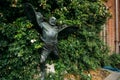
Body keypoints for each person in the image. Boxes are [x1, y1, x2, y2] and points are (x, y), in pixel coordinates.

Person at [24, 3, 68, 80]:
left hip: (54, 46)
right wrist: (35, 13)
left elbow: (63, 30)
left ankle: (56, 63)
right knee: (42, 61)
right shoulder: (44, 24)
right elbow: (37, 21)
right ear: (49, 19)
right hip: (46, 47)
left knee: (57, 56)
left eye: (54, 20)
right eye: (52, 19)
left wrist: (66, 27)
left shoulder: (56, 28)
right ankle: (43, 74)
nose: (53, 20)